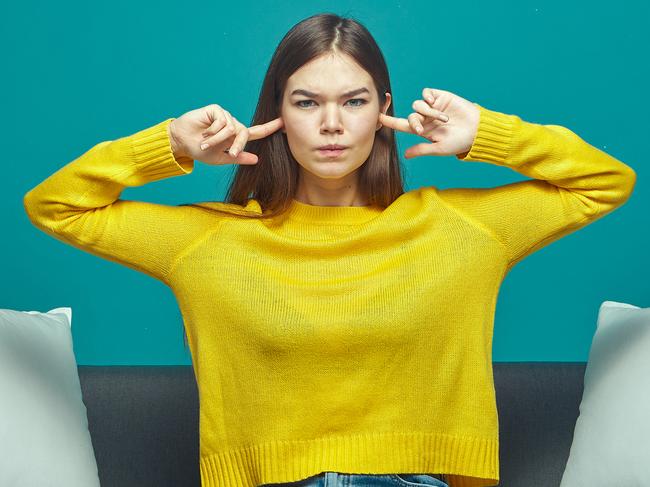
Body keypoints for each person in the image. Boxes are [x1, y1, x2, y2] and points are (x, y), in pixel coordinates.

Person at [23, 12, 636, 487]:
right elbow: (54, 205)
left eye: (354, 100)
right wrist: (173, 146)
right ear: (277, 117)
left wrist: (487, 135)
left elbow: (607, 182)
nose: (333, 124)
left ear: (384, 113)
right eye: (307, 102)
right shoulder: (212, 240)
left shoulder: (458, 230)